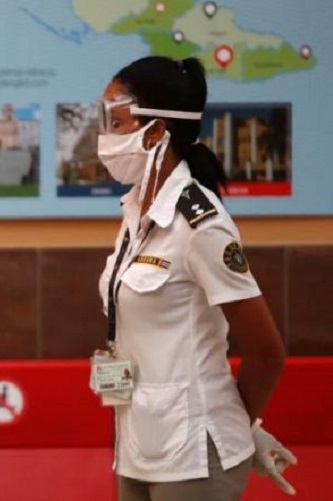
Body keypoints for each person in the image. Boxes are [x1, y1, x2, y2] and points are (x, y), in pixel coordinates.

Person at [91, 56, 297, 501]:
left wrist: (238, 426)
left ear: (156, 132)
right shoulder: (136, 211)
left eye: (117, 122)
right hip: (137, 442)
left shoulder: (201, 224)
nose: (105, 137)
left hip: (195, 453)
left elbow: (267, 352)